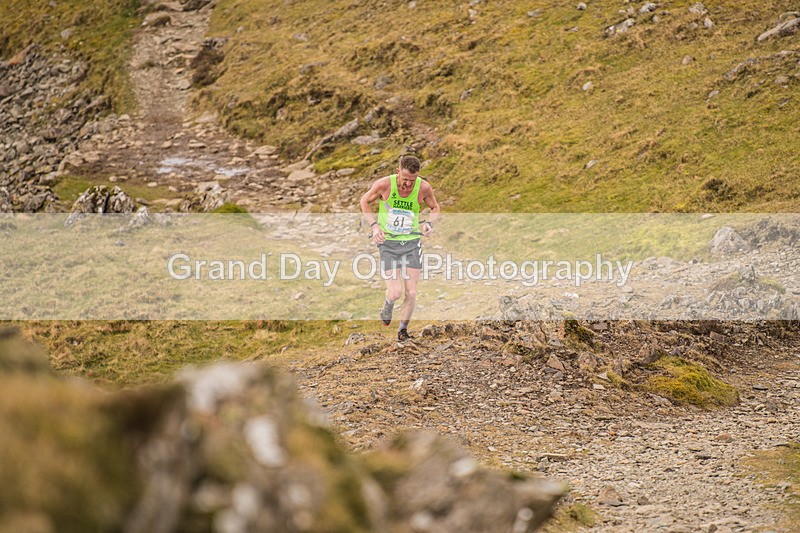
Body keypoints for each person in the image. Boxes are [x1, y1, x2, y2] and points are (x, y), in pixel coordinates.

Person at [359, 155, 440, 341]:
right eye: (405, 180)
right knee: (395, 292)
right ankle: (388, 304)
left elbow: (435, 207)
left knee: (411, 291)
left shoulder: (424, 187)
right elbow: (364, 201)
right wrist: (374, 226)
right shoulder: (384, 185)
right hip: (388, 244)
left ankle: (402, 331)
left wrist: (430, 224)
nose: (408, 185)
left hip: (411, 243)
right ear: (398, 172)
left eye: (412, 181)